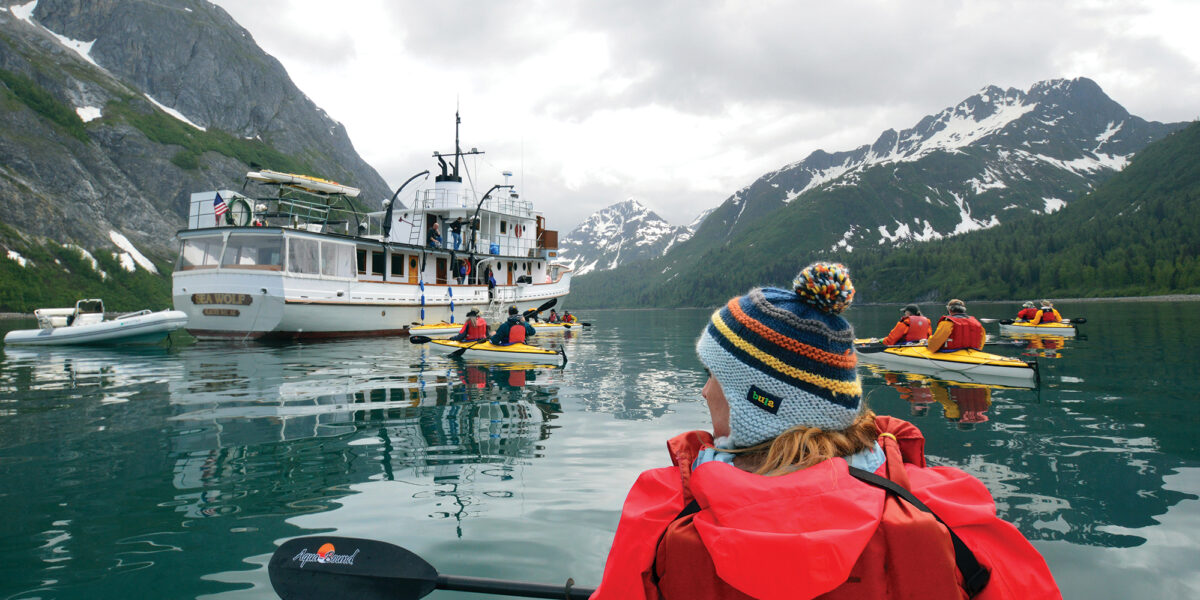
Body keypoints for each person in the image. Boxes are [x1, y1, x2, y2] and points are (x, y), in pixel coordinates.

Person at [590, 263, 1061, 600]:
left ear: (759, 402)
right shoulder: (947, 508)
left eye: (714, 374)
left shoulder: (661, 511)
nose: (704, 391)